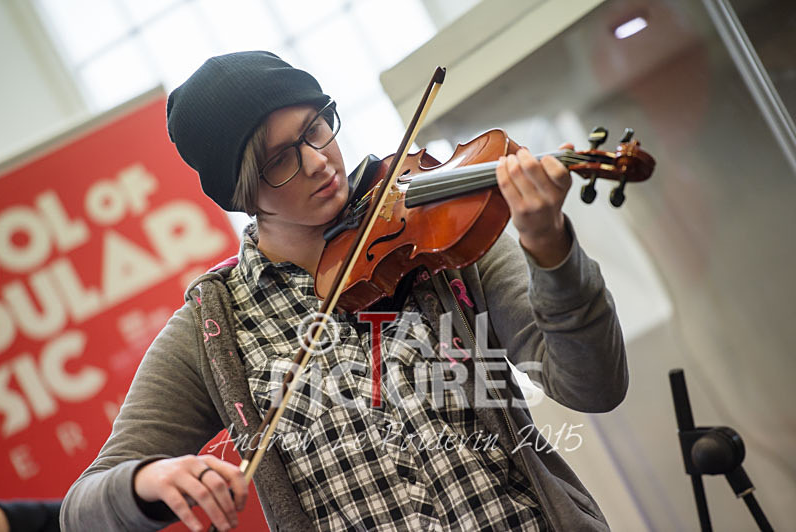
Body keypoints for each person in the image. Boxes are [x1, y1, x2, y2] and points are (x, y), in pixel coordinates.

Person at [61, 51, 628, 531]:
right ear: (240, 192)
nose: (316, 162)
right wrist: (145, 480)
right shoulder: (214, 329)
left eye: (315, 128)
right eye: (280, 160)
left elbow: (594, 387)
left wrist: (552, 252)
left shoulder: (434, 225)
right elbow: (79, 510)